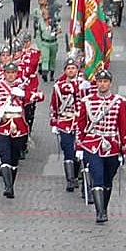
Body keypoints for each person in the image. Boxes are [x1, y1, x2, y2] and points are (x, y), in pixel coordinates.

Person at [77, 69, 126, 223]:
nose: (102, 84)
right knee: (97, 176)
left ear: (110, 83)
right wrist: (79, 147)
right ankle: (100, 213)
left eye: (105, 81)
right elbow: (80, 125)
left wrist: (124, 148)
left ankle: (104, 207)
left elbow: (123, 126)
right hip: (92, 144)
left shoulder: (120, 101)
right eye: (99, 81)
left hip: (112, 145)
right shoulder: (86, 101)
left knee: (107, 180)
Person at [0, 62, 30, 198]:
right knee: (5, 155)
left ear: (16, 74)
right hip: (2, 127)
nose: (10, 75)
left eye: (13, 73)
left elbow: (37, 97)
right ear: (4, 74)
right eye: (8, 73)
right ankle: (8, 187)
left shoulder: (22, 88)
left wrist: (25, 95)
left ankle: (11, 183)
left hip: (19, 127)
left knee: (14, 159)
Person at [50, 58, 81, 192]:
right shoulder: (59, 86)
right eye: (68, 68)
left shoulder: (84, 85)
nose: (71, 70)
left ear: (77, 70)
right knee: (68, 150)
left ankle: (76, 174)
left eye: (73, 68)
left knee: (79, 152)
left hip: (80, 124)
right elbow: (54, 104)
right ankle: (70, 180)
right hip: (65, 122)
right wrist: (54, 122)